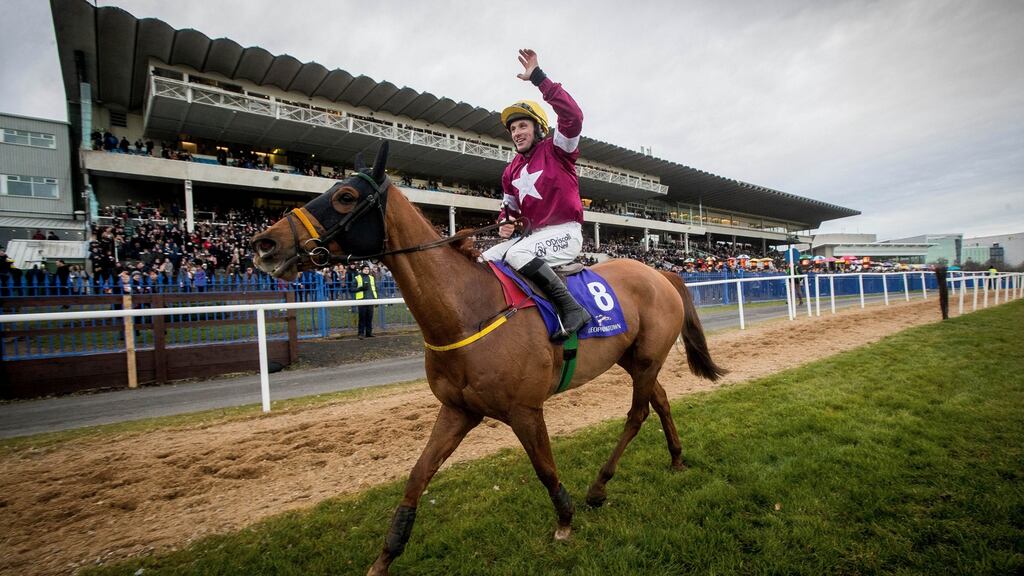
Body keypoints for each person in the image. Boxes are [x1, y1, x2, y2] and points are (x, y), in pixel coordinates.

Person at [481, 48, 591, 341]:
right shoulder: (510, 171)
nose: (516, 132)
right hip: (532, 237)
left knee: (517, 253)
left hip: (566, 233)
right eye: (513, 128)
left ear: (539, 129)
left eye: (522, 125)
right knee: (485, 258)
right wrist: (506, 221)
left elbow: (573, 115)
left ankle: (573, 310)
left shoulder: (558, 149)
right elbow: (509, 210)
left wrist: (539, 78)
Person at [352, 264, 378, 339]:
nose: (366, 270)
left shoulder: (372, 278)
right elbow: (352, 289)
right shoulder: (357, 278)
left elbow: (375, 289)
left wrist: (376, 300)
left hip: (371, 300)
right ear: (361, 270)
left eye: (367, 269)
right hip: (361, 300)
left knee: (369, 317)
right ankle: (360, 334)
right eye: (365, 269)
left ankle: (369, 333)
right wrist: (360, 288)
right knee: (362, 318)